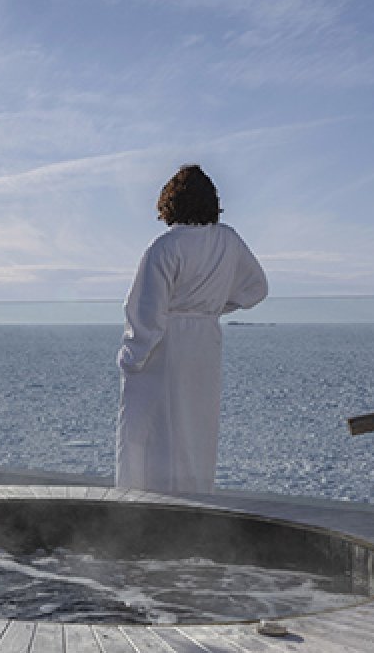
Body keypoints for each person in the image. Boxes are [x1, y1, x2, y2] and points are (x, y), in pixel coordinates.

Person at [115, 164, 268, 496]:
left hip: (165, 347)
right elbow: (256, 288)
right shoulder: (228, 240)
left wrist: (131, 359)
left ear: (170, 202)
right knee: (196, 428)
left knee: (156, 431)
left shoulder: (165, 247)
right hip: (206, 343)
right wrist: (210, 309)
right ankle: (196, 501)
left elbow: (147, 312)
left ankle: (148, 504)